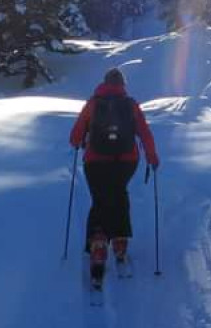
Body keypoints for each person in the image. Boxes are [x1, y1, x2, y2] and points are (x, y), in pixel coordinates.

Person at [70, 68, 159, 288]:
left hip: (95, 161)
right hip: (126, 162)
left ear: (104, 83)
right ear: (122, 85)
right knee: (119, 194)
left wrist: (82, 141)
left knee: (100, 199)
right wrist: (152, 157)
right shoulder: (130, 105)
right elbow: (145, 133)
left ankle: (98, 244)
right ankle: (120, 241)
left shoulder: (93, 103)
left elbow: (74, 138)